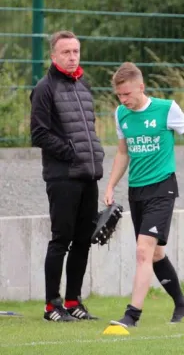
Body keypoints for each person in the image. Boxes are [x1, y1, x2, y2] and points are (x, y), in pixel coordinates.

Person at [104, 62, 184, 327]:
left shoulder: (167, 109)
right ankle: (181, 303)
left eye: (127, 94)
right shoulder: (120, 114)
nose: (123, 100)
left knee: (143, 251)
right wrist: (110, 186)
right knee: (154, 255)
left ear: (141, 87)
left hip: (162, 188)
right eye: (119, 95)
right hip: (137, 190)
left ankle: (132, 315)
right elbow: (123, 152)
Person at [30, 30, 105, 322]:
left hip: (89, 175)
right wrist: (71, 152)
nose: (72, 57)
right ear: (54, 56)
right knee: (61, 240)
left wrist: (92, 156)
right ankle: (52, 306)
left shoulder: (84, 85)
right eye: (66, 52)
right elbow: (38, 134)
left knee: (84, 240)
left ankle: (73, 301)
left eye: (75, 51)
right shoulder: (44, 88)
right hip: (62, 177)